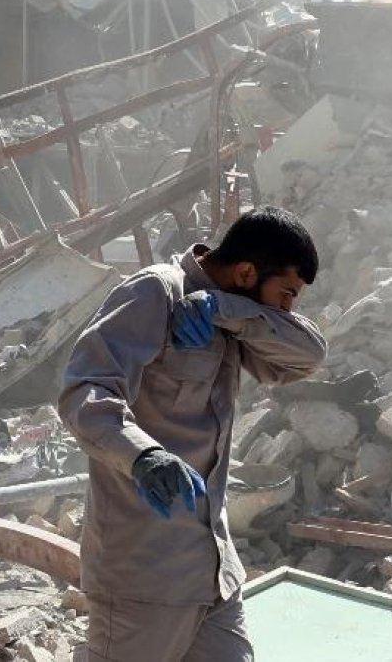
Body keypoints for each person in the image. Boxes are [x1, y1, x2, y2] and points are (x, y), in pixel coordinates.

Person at [59, 206, 327, 661]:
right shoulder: (154, 293)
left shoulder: (231, 316)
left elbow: (309, 355)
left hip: (213, 571)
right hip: (144, 577)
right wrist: (143, 455)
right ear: (247, 272)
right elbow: (83, 391)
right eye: (285, 294)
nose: (287, 309)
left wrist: (225, 309)